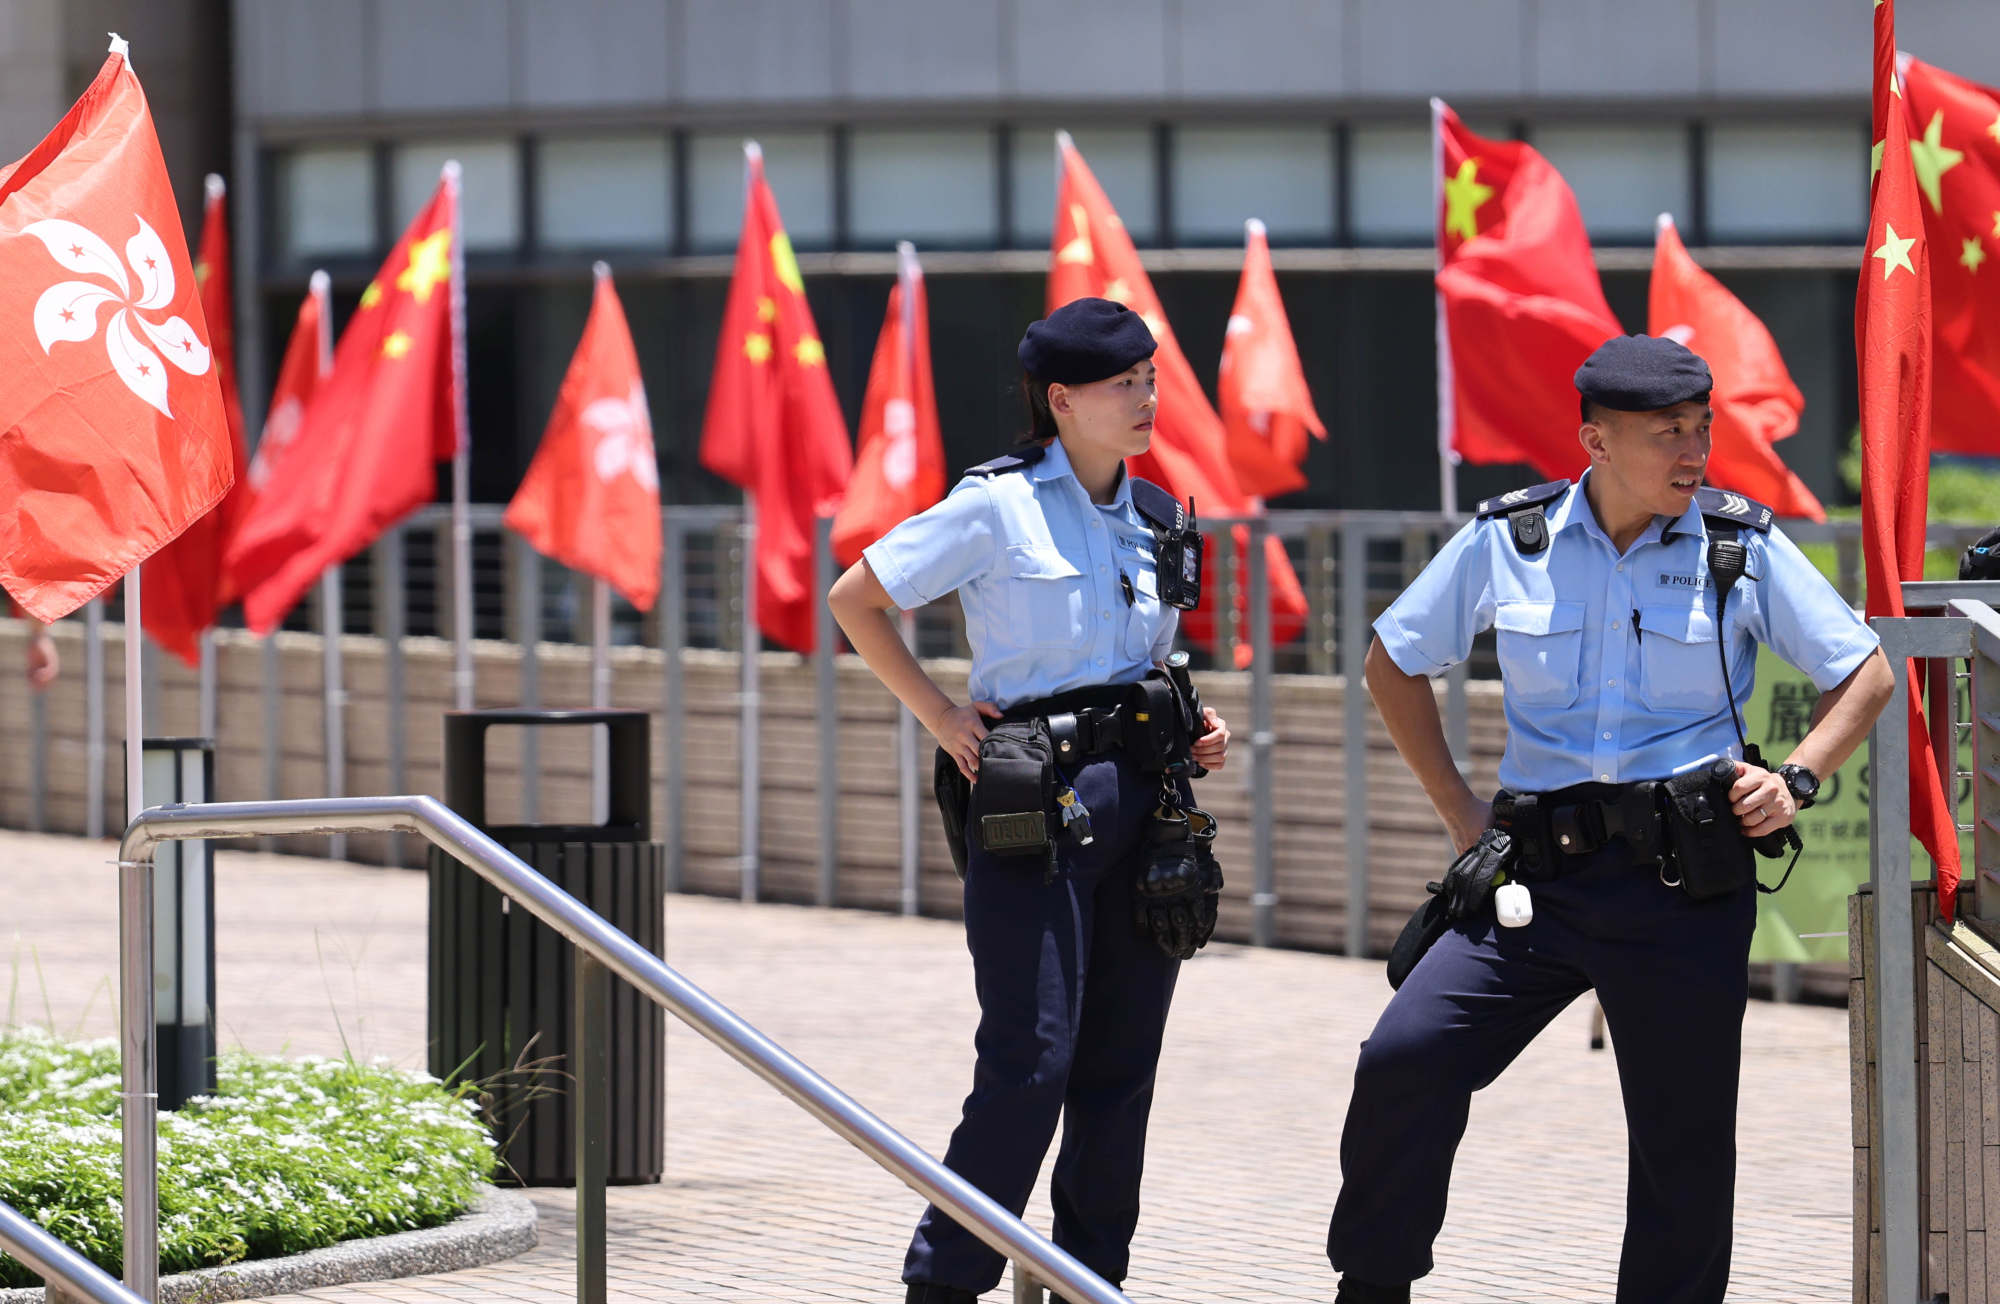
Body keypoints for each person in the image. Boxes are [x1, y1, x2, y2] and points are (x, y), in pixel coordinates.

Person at [1327, 333, 1894, 1304]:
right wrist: (1457, 808)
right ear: (1592, 438)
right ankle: (1370, 1284)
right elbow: (1390, 659)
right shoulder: (1510, 540)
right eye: (1664, 431)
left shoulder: (1736, 544)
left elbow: (1866, 669)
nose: (1691, 450)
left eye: (1699, 427)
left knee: (1680, 1149)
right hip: (1529, 886)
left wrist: (1793, 778)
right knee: (1402, 1056)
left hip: (1681, 886)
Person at [827, 296, 1231, 1304]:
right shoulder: (995, 504)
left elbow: (1143, 659)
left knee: (1118, 1065)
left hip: (1148, 799)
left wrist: (1194, 716)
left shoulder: (1154, 514)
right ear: (1060, 399)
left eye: (1148, 379)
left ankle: (1090, 1281)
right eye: (1120, 384)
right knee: (1029, 1057)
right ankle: (943, 1283)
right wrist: (938, 716)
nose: (1144, 399)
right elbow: (856, 597)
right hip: (1030, 797)